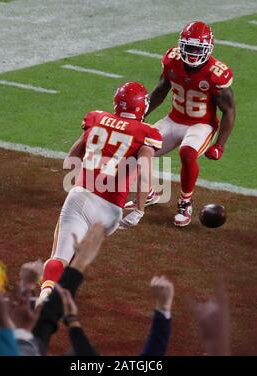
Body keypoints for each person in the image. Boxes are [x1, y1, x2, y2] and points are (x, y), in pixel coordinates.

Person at [39, 82, 162, 303]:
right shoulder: (148, 133)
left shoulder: (96, 118)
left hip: (81, 196)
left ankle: (46, 293)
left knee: (60, 255)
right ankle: (61, 292)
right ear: (142, 107)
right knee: (79, 249)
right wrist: (140, 209)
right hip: (111, 211)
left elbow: (70, 161)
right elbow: (144, 172)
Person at [125, 21, 236, 227]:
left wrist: (220, 144)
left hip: (201, 125)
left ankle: (185, 202)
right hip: (173, 119)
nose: (192, 53)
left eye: (197, 49)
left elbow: (229, 110)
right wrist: (139, 116)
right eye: (189, 47)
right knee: (138, 147)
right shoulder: (172, 60)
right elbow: (160, 91)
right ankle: (149, 192)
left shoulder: (216, 74)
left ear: (208, 48)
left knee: (187, 153)